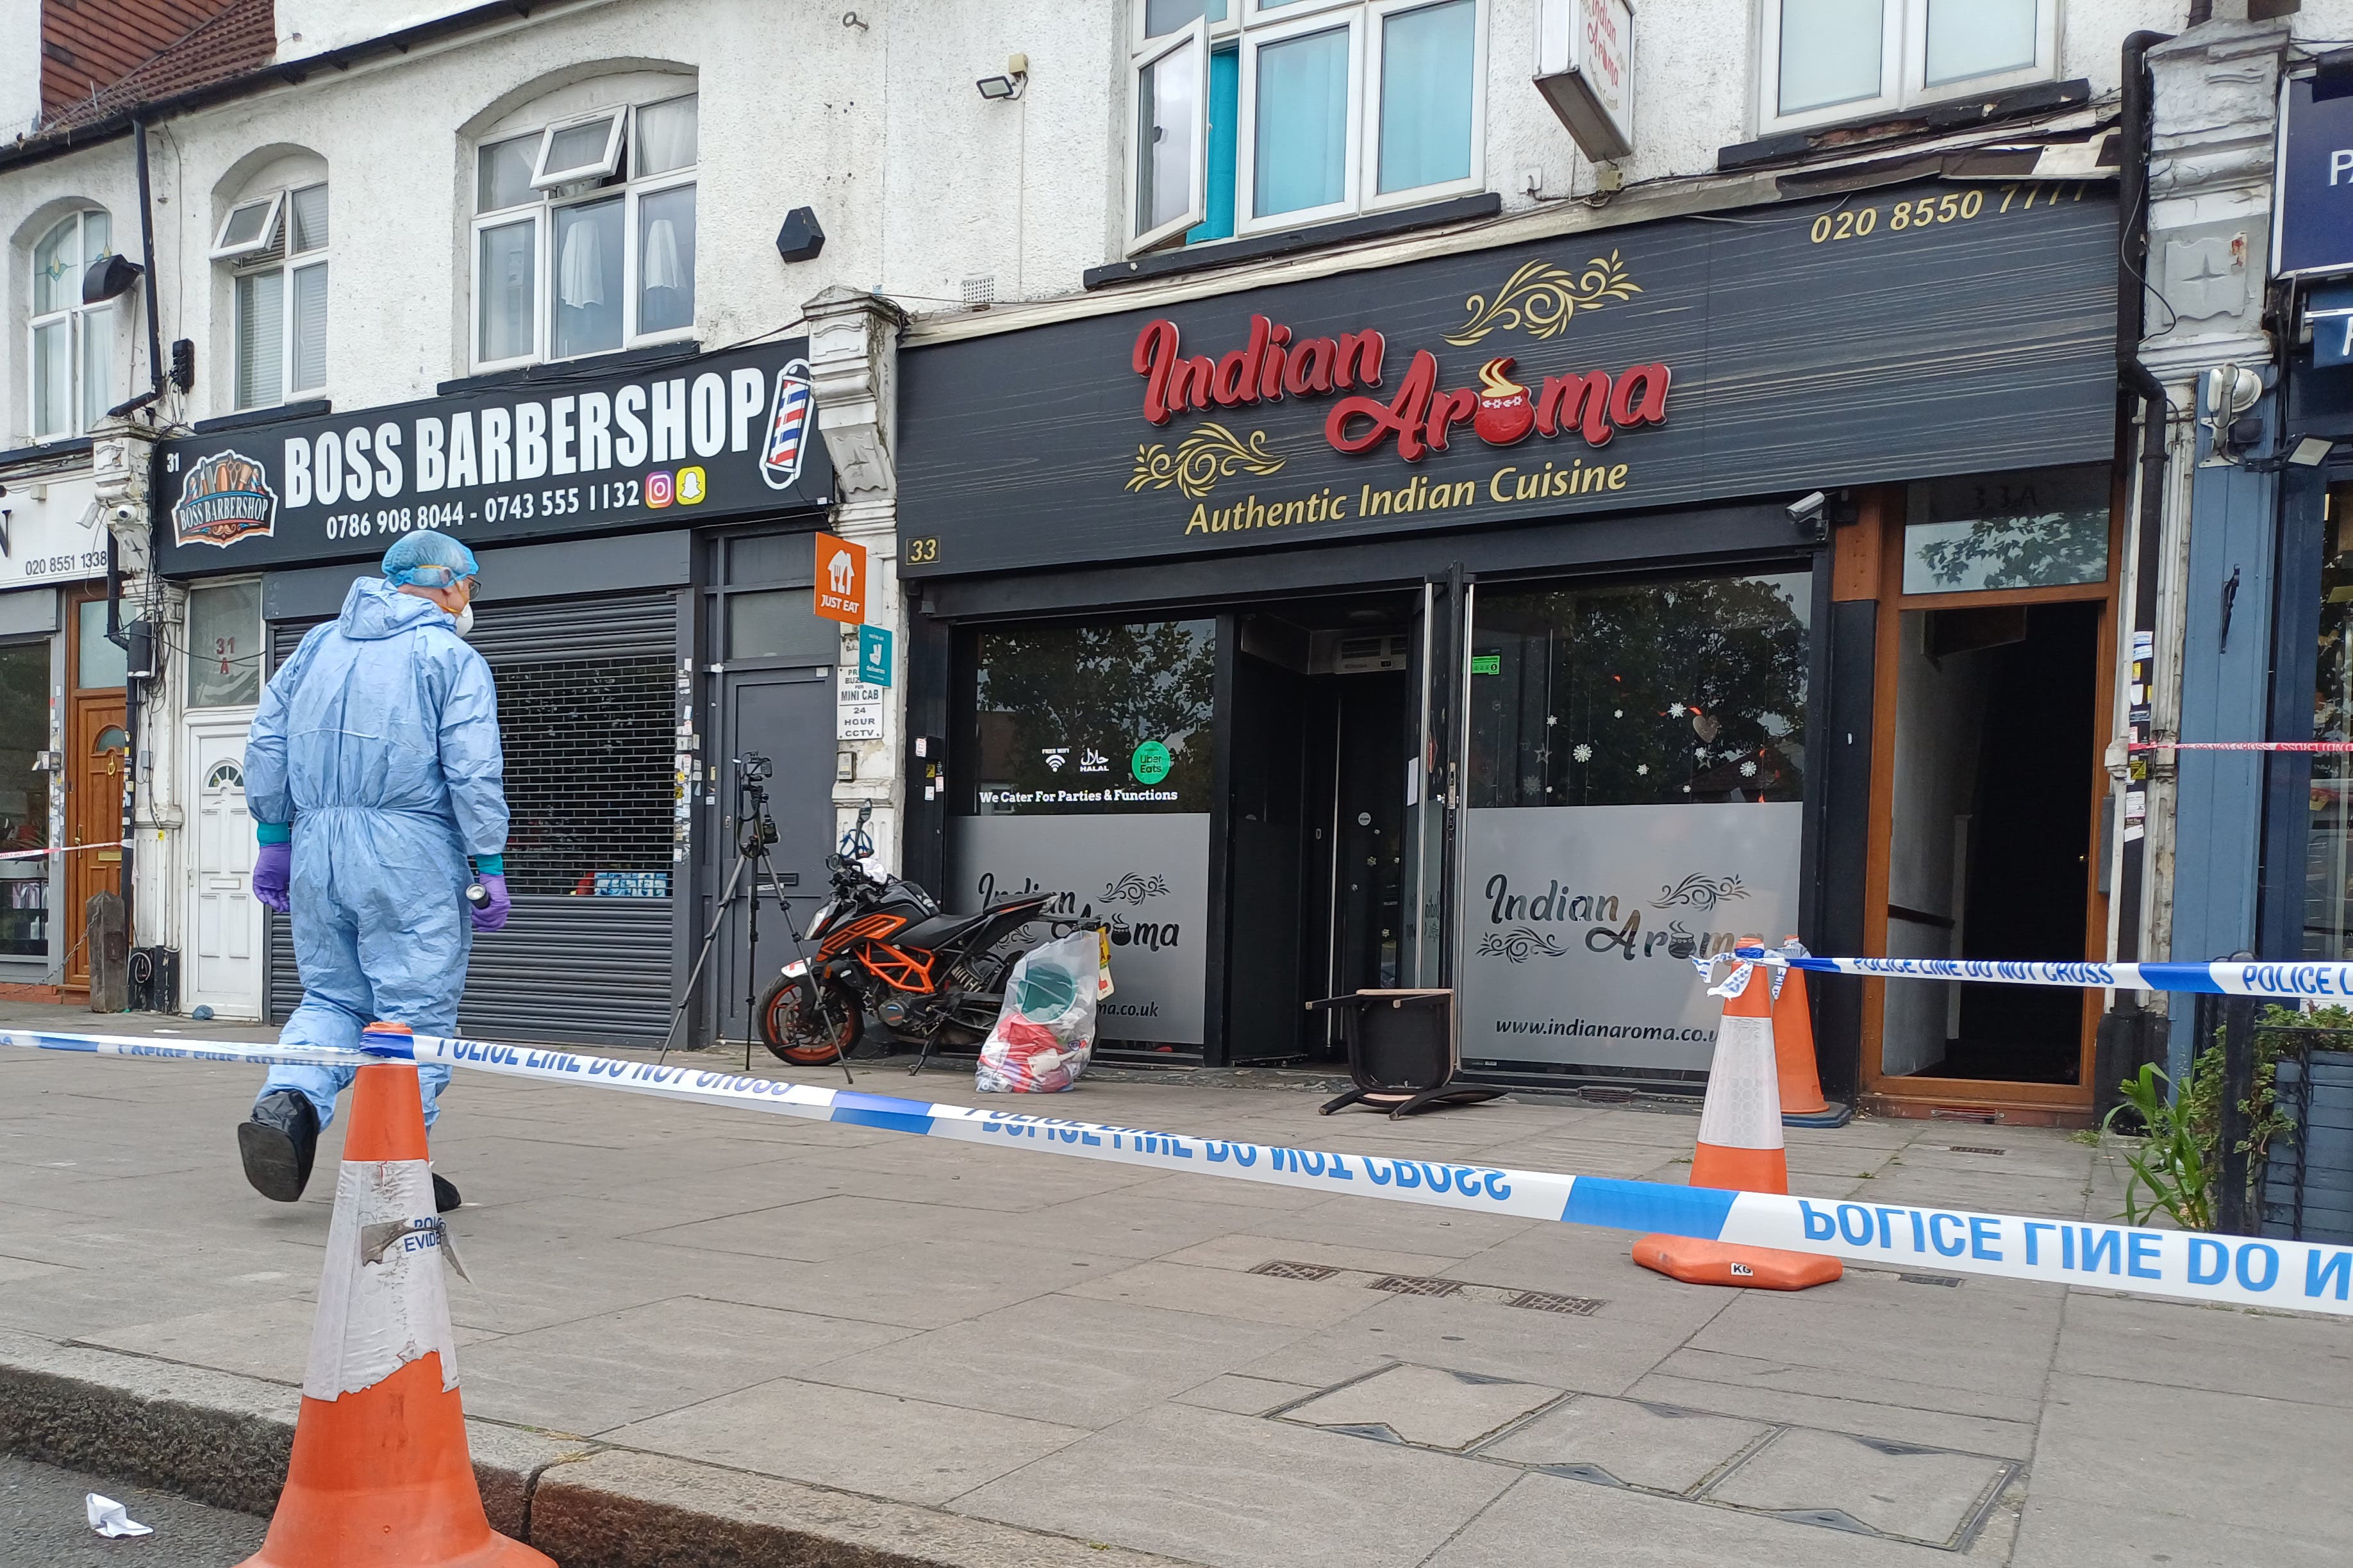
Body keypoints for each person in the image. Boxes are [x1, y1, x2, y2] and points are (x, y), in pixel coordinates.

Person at [237, 532, 510, 1212]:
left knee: (332, 996)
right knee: (412, 1011)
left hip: (317, 847)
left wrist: (275, 835)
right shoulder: (449, 657)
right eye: (471, 584)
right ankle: (395, 1167)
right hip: (407, 851)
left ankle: (288, 1104)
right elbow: (472, 767)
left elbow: (267, 741)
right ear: (447, 581)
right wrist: (488, 860)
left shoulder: (315, 647)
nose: (469, 597)